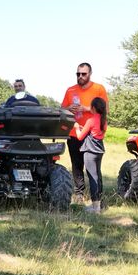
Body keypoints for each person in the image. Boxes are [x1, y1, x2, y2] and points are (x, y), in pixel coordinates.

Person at [61, 63, 108, 204]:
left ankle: (98, 198)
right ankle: (79, 194)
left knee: (93, 169)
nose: (80, 76)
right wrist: (69, 108)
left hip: (92, 135)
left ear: (90, 74)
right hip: (74, 133)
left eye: (83, 74)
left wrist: (86, 108)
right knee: (76, 166)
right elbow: (61, 110)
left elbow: (105, 110)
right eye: (78, 74)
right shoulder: (70, 90)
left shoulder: (98, 88)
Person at [75, 97, 108, 213]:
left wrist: (77, 128)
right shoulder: (104, 121)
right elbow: (97, 134)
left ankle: (95, 207)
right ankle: (99, 204)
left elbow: (80, 137)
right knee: (97, 177)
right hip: (99, 151)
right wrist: (85, 129)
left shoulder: (91, 120)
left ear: (93, 108)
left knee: (92, 178)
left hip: (90, 152)